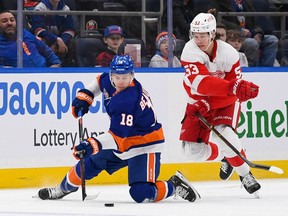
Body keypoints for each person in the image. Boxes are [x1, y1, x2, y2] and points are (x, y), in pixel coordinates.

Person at [37, 55, 200, 203]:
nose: (121, 81)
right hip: (123, 141)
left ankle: (173, 185)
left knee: (141, 194)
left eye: (125, 77)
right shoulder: (109, 80)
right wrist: (85, 96)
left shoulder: (127, 100)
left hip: (145, 145)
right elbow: (99, 82)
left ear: (132, 76)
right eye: (117, 77)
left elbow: (117, 137)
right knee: (88, 164)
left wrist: (91, 144)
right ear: (111, 75)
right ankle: (61, 189)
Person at [179, 13, 261, 195]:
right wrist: (233, 88)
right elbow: (200, 84)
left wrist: (235, 89)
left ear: (213, 34)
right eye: (195, 35)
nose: (198, 40)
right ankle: (225, 155)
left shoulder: (229, 53)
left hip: (225, 102)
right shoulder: (189, 50)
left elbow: (234, 93)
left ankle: (245, 175)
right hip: (198, 101)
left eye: (203, 35)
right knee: (191, 151)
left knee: (224, 131)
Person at [208, 0, 279, 67]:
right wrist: (240, 29)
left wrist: (257, 33)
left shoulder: (246, 2)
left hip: (248, 34)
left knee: (272, 40)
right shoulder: (219, 2)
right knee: (252, 43)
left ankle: (265, 70)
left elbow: (253, 21)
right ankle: (252, 69)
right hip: (231, 35)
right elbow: (217, 18)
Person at [30, 0, 76, 67]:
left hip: (61, 40)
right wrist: (56, 39)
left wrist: (59, 42)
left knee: (72, 42)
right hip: (46, 39)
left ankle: (69, 68)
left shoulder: (65, 8)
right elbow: (38, 30)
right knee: (41, 42)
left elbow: (70, 30)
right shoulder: (40, 8)